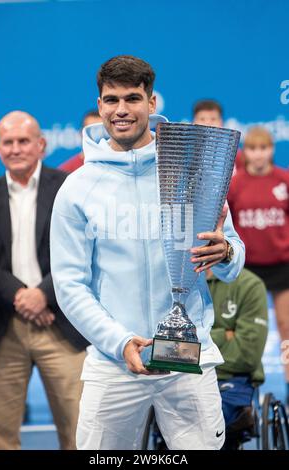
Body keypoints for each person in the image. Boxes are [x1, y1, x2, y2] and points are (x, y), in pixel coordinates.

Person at [50, 55, 245, 450]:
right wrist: (120, 342)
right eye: (111, 100)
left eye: (133, 98)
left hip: (189, 360)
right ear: (100, 105)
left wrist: (224, 252)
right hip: (114, 363)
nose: (121, 110)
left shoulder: (191, 170)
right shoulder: (77, 187)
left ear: (152, 104)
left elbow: (233, 260)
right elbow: (70, 285)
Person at [0, 111, 88, 450]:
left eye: (23, 141)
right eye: (8, 142)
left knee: (81, 429)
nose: (16, 149)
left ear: (41, 145)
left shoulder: (68, 188)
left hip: (61, 322)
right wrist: (21, 296)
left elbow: (83, 252)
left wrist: (43, 295)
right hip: (1, 328)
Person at [228, 126, 289, 407]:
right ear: (245, 152)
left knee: (287, 330)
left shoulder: (284, 181)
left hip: (282, 266)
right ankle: (239, 390)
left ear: (272, 150)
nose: (258, 154)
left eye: (264, 148)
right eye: (252, 148)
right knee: (240, 331)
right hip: (246, 268)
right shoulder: (235, 184)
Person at [208, 268, 268, 447]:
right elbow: (164, 346)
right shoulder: (169, 283)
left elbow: (247, 354)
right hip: (177, 378)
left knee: (208, 417)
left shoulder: (250, 285)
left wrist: (192, 347)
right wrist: (223, 336)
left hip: (231, 380)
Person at [192, 99, 244, 172]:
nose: (208, 123)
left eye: (213, 119)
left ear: (221, 122)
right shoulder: (186, 154)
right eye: (202, 119)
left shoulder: (235, 156)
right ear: (193, 122)